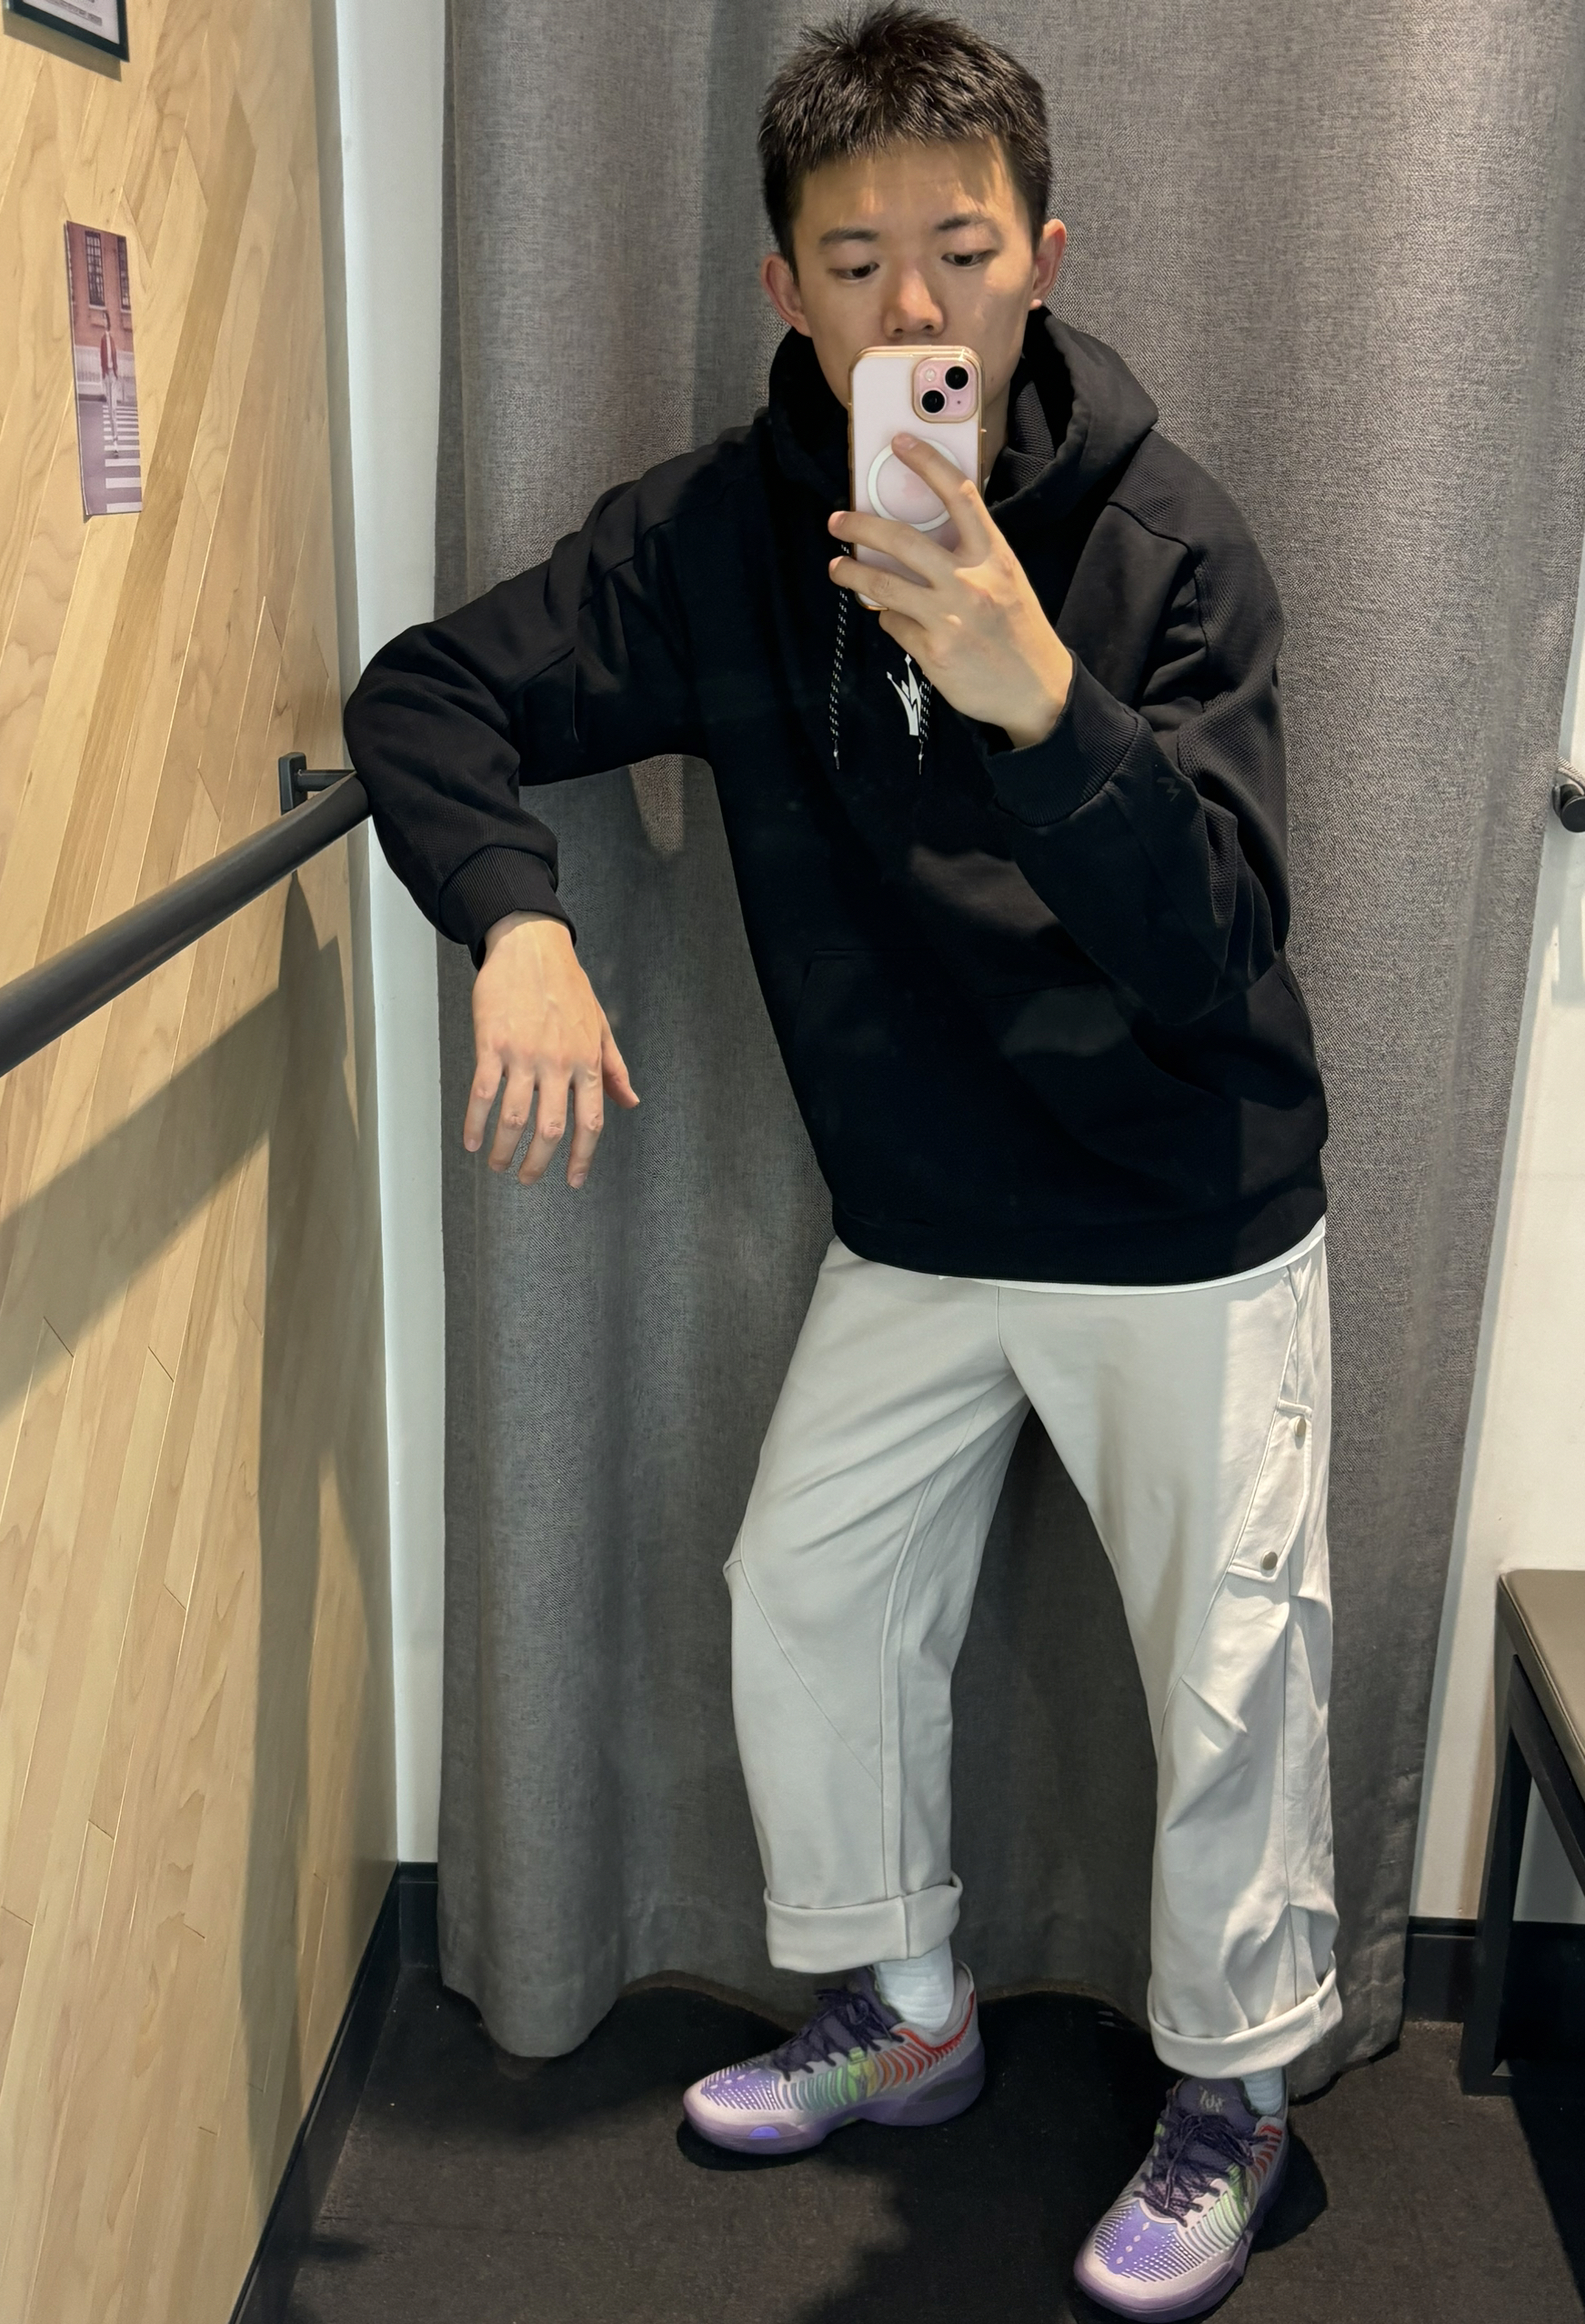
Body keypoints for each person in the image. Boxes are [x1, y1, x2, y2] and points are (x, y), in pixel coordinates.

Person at [343, 7, 1337, 2314]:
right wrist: (512, 922)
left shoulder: (1166, 548)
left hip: (1178, 1211)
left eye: (959, 253)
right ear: (780, 287)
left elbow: (1217, 940)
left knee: (1225, 1677)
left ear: (1042, 260)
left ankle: (1232, 2087)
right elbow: (429, 693)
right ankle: (903, 2010)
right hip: (916, 1212)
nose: (913, 310)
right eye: (856, 261)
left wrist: (1034, 696)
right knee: (803, 1595)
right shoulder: (717, 537)